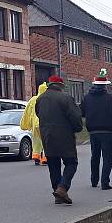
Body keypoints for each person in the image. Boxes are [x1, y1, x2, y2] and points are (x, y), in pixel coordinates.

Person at [36, 75, 83, 204]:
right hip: (64, 136)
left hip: (47, 136)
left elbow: (38, 114)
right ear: (61, 86)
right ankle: (62, 188)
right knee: (71, 163)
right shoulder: (66, 98)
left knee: (53, 165)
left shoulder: (40, 99)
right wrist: (77, 128)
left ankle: (58, 194)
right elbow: (75, 116)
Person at [80, 68, 112, 190]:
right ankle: (105, 182)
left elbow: (81, 112)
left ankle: (94, 180)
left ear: (94, 84)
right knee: (107, 157)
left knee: (95, 156)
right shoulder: (109, 98)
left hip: (93, 131)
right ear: (104, 86)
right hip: (107, 131)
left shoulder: (87, 98)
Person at [21, 82, 48, 165]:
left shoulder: (33, 99)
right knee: (45, 142)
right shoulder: (47, 99)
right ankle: (45, 158)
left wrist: (25, 124)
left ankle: (36, 157)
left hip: (34, 125)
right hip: (44, 124)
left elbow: (27, 112)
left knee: (36, 141)